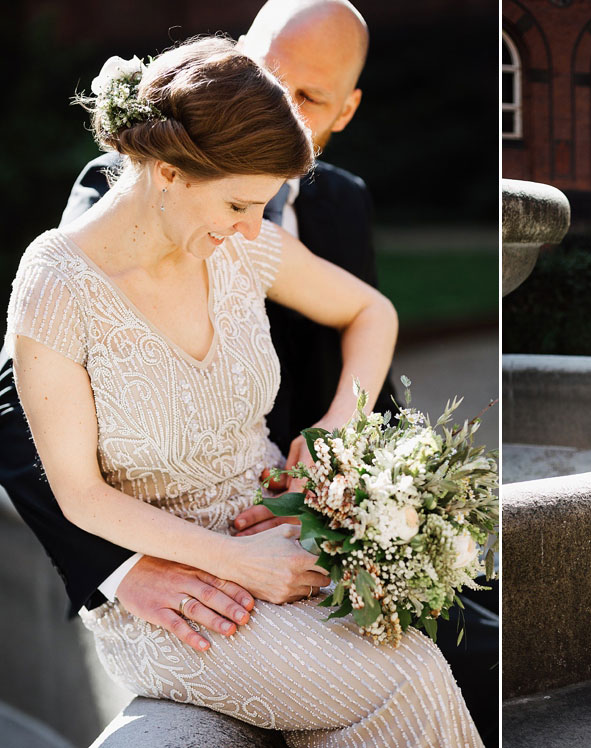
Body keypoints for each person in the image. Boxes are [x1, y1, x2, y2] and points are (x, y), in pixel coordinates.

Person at [1, 0, 498, 740]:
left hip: (285, 526)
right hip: (182, 590)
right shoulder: (58, 279)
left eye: (259, 207)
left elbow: (373, 313)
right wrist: (239, 564)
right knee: (409, 673)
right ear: (166, 171)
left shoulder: (240, 240)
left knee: (435, 646)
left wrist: (333, 431)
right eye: (238, 203)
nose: (248, 228)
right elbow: (75, 491)